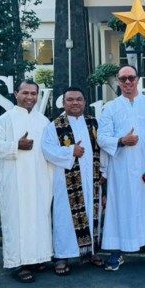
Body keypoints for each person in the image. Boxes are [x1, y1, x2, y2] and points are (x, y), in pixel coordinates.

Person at [97, 65, 145, 271]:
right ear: (118, 81)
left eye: (131, 78)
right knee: (121, 208)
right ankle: (117, 252)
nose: (127, 82)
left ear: (138, 79)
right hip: (121, 169)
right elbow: (102, 137)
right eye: (123, 79)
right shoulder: (110, 108)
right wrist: (121, 140)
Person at [0, 80, 53, 283]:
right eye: (25, 93)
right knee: (17, 219)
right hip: (15, 181)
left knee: (39, 218)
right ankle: (18, 262)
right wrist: (16, 145)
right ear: (15, 93)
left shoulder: (43, 121)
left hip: (39, 179)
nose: (30, 97)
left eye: (34, 94)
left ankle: (37, 258)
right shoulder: (5, 120)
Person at [43, 87, 105, 276]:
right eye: (70, 100)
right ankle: (62, 256)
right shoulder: (55, 125)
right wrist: (71, 152)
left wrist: (103, 171)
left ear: (85, 102)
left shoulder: (93, 122)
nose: (75, 103)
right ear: (63, 103)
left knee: (93, 215)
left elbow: (101, 149)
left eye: (79, 99)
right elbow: (47, 150)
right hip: (66, 182)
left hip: (92, 180)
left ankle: (91, 252)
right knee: (65, 219)